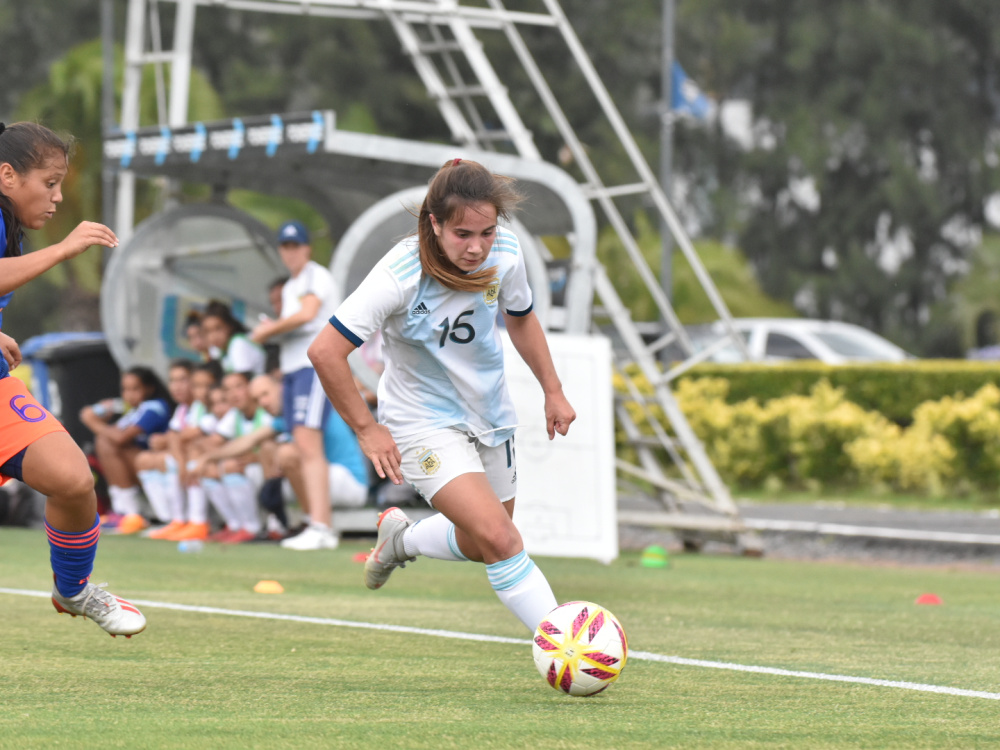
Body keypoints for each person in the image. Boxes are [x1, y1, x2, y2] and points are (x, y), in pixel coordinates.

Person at [307, 158, 576, 633]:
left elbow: (521, 317)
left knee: (481, 544)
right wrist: (368, 431)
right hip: (421, 423)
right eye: (462, 235)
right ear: (434, 223)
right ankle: (566, 643)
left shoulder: (507, 252)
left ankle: (401, 542)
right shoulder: (399, 273)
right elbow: (326, 351)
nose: (477, 248)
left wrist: (552, 390)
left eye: (486, 233)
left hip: (490, 413)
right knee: (500, 539)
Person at [0, 120, 145, 637]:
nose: (59, 197)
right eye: (50, 182)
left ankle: (74, 589)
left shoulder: (8, 223)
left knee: (73, 480)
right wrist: (64, 249)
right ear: (7, 175)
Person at [252, 221, 340, 550]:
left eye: (296, 245)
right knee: (298, 448)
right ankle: (314, 523)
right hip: (293, 368)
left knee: (308, 446)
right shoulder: (291, 286)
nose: (291, 252)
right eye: (285, 247)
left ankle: (322, 526)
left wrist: (268, 330)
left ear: (307, 248)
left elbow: (307, 315)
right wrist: (273, 330)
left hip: (312, 367)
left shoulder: (315, 276)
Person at [80, 366, 173, 535]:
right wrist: (103, 422)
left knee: (106, 440)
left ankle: (131, 512)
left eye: (135, 389)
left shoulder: (154, 407)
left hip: (161, 469)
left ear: (150, 388)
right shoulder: (134, 410)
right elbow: (115, 434)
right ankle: (123, 510)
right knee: (104, 440)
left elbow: (121, 438)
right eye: (126, 389)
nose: (129, 394)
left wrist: (93, 422)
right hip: (145, 469)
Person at [201, 299, 266, 375]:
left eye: (218, 328)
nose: (213, 336)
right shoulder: (218, 351)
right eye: (208, 331)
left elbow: (241, 380)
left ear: (229, 326)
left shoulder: (238, 343)